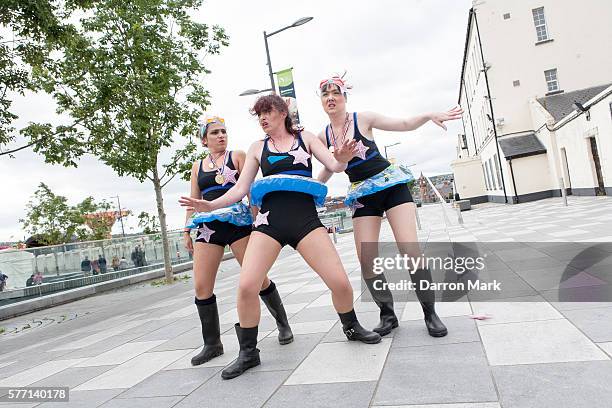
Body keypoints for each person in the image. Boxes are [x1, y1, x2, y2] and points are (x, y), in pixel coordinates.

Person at [180, 95, 381, 380]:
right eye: (258, 114)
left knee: (340, 283)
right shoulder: (256, 148)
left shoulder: (306, 138)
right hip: (269, 223)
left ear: (283, 113)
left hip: (305, 220)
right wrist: (210, 206)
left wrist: (343, 159)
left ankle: (351, 327)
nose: (262, 118)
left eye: (267, 112)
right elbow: (239, 190)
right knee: (247, 286)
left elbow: (334, 166)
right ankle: (248, 352)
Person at [316, 76, 463, 338]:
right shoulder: (323, 135)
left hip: (391, 186)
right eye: (325, 94)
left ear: (344, 97)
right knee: (366, 258)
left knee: (410, 249)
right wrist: (311, 190)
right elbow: (329, 167)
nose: (330, 97)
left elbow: (404, 124)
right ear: (321, 101)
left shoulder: (364, 119)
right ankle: (387, 315)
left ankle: (430, 313)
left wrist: (429, 114)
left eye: (335, 92)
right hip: (362, 194)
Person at [182, 115, 295, 367]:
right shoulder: (197, 166)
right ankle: (212, 344)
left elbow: (252, 191)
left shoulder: (238, 156)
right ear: (204, 139)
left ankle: (282, 323)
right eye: (214, 133)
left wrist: (258, 223)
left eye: (224, 131)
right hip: (208, 226)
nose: (221, 135)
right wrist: (185, 230)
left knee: (257, 278)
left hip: (239, 224)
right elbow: (193, 199)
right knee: (201, 286)